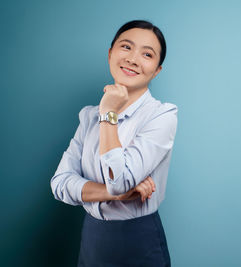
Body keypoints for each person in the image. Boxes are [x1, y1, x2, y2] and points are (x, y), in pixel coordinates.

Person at [50, 20, 177, 266]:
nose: (132, 58)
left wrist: (108, 113)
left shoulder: (162, 115)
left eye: (147, 54)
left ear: (157, 70)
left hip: (137, 240)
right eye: (126, 47)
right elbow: (60, 184)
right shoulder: (88, 116)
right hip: (92, 239)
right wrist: (115, 195)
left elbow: (119, 182)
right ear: (110, 53)